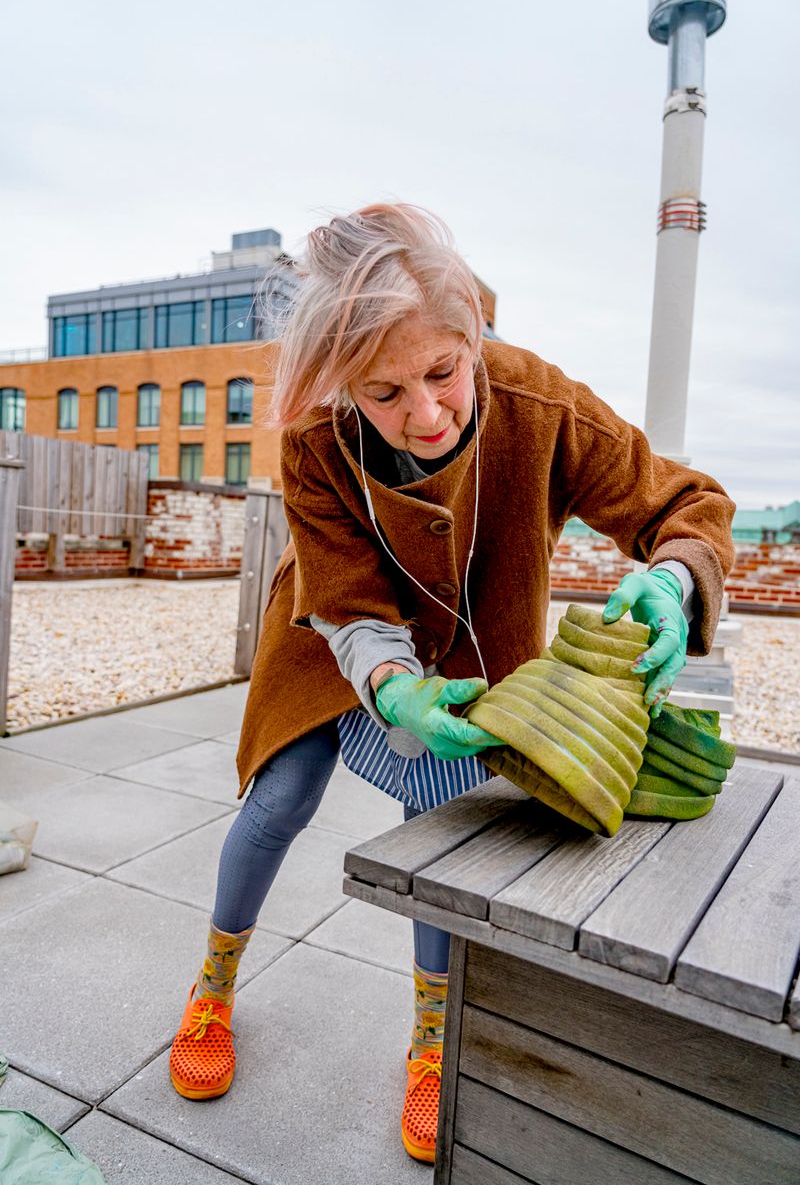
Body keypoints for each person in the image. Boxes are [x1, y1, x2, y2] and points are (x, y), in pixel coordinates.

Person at [167, 203, 735, 1162]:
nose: (425, 414)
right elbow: (342, 591)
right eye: (385, 392)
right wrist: (387, 683)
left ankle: (435, 1038)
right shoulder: (314, 437)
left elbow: (682, 503)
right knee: (283, 795)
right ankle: (213, 987)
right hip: (331, 625)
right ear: (341, 383)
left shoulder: (540, 403)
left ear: (472, 334)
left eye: (443, 372)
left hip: (473, 641)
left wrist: (677, 579)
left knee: (441, 828)